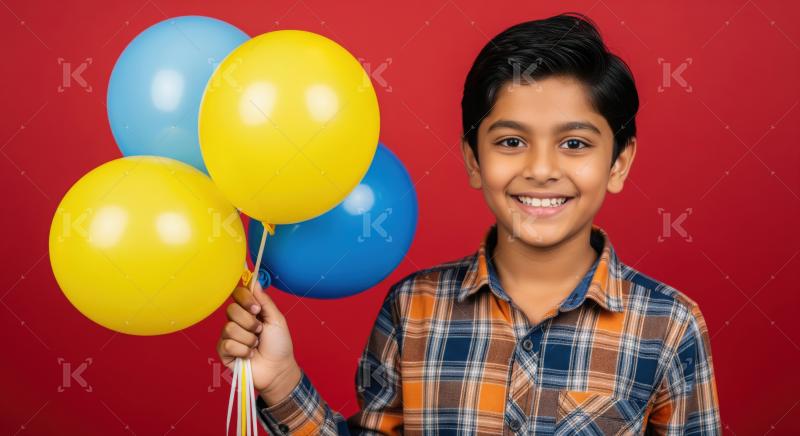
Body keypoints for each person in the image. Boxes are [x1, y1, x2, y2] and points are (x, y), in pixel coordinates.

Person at [217, 12, 721, 435]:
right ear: (474, 160)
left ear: (618, 163)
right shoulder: (413, 309)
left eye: (574, 144)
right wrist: (281, 379)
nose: (541, 169)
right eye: (511, 142)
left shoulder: (669, 326)